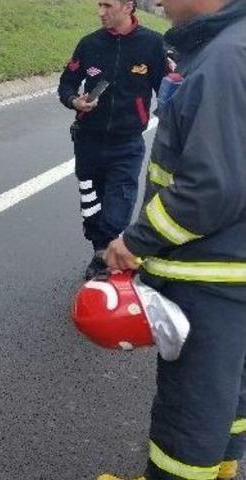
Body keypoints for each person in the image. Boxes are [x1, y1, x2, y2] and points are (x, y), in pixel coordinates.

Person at [102, 0, 246, 478]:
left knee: (190, 411)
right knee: (229, 389)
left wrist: (134, 241)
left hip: (209, 276)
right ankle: (224, 468)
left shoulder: (225, 57)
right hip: (232, 270)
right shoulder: (231, 45)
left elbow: (210, 188)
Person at [58, 0, 167, 280]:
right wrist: (74, 100)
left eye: (107, 5)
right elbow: (66, 83)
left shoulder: (153, 44)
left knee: (119, 202)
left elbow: (167, 91)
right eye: (99, 5)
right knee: (91, 202)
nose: (100, 12)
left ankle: (109, 255)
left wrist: (171, 123)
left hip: (126, 144)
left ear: (128, 6)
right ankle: (99, 251)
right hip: (87, 142)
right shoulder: (89, 44)